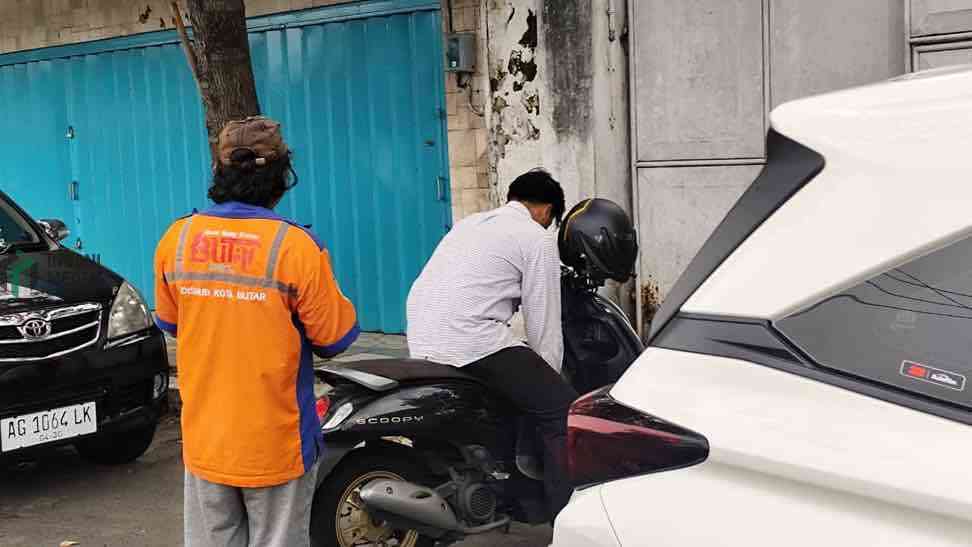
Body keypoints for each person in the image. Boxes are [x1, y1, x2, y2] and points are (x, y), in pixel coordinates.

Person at [153, 116, 359, 547]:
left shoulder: (177, 239)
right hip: (277, 444)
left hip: (206, 441)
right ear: (282, 175)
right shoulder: (297, 247)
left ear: (218, 171)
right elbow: (335, 338)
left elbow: (171, 322)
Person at [406, 168, 578, 519]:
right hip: (470, 337)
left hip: (422, 334)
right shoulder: (535, 237)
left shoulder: (470, 223)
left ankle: (510, 488)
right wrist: (551, 378)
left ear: (512, 197)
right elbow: (543, 322)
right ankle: (567, 521)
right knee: (560, 410)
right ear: (546, 211)